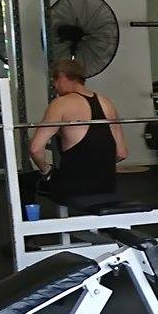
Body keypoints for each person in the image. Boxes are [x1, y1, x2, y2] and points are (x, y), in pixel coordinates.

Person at [22, 59, 124, 209]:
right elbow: (121, 153)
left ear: (62, 76)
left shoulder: (60, 103)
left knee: (23, 181)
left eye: (54, 80)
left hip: (73, 189)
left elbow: (35, 149)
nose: (54, 86)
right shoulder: (106, 103)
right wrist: (95, 168)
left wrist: (47, 171)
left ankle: (29, 223)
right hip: (108, 186)